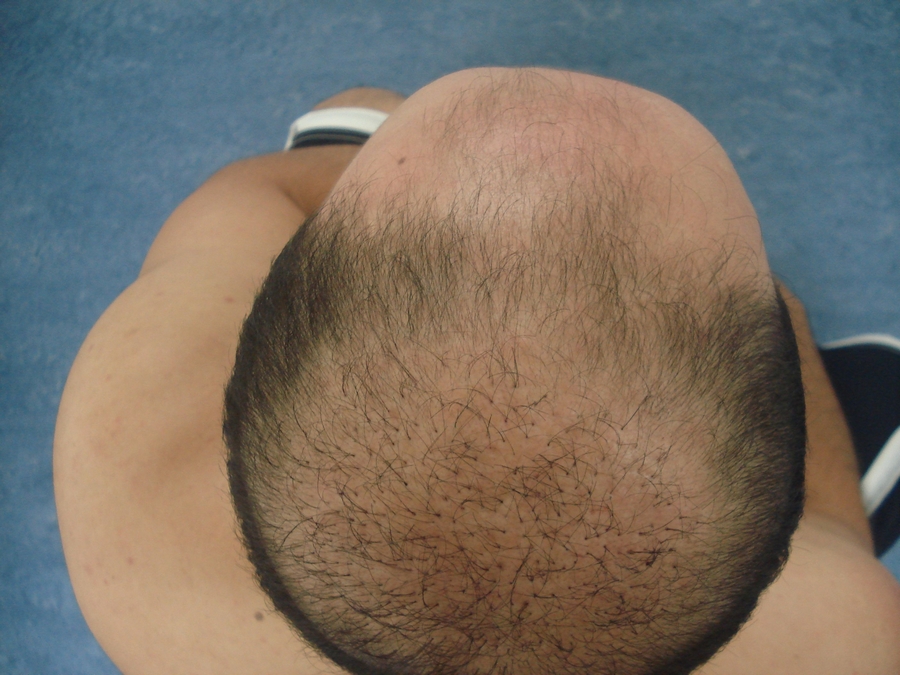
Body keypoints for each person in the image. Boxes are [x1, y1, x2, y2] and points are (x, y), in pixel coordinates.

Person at [54, 68, 900, 675]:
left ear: (267, 332)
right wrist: (781, 315)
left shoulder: (130, 467)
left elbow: (254, 195)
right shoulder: (842, 636)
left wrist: (408, 164)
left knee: (357, 106)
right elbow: (827, 517)